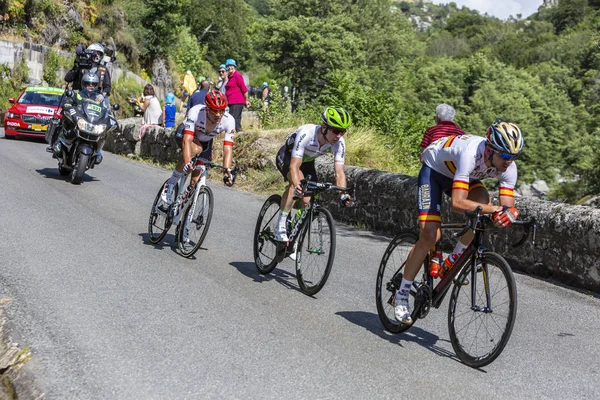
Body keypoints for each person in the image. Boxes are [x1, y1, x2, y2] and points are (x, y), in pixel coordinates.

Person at [394, 119, 524, 324]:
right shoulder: (471, 153)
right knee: (430, 235)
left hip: (462, 176)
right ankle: (402, 294)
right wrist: (496, 209)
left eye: (513, 156)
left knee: (482, 211)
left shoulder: (509, 167)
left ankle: (451, 261)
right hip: (435, 171)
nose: (508, 161)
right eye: (505, 155)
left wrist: (506, 215)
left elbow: (506, 208)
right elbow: (457, 202)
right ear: (489, 149)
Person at [273, 107, 354, 258]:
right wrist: (298, 185)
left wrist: (343, 194)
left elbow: (339, 172)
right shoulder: (307, 133)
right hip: (288, 157)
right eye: (336, 131)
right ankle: (281, 225)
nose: (339, 135)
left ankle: (293, 234)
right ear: (324, 128)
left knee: (306, 200)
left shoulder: (339, 143)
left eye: (343, 131)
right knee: (295, 185)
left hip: (307, 162)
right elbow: (294, 166)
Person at [162, 91, 236, 206]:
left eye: (221, 110)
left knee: (195, 178)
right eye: (214, 111)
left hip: (205, 141)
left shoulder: (229, 120)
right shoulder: (196, 111)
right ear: (207, 109)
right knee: (195, 149)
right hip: (186, 134)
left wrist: (227, 171)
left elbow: (227, 148)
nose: (218, 115)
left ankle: (182, 207)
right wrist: (187, 162)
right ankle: (170, 184)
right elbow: (187, 140)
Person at [47, 43, 112, 152]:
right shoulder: (81, 66)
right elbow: (68, 78)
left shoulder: (103, 70)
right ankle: (55, 143)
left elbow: (108, 87)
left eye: (100, 54)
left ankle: (97, 148)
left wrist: (102, 95)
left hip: (96, 101)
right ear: (89, 54)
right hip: (79, 98)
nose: (98, 57)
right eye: (96, 54)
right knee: (64, 116)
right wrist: (76, 66)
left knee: (104, 120)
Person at [224, 58, 250, 132]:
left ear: (234, 66)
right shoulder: (230, 77)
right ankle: (237, 134)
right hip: (231, 102)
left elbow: (244, 89)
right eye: (228, 66)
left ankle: (239, 134)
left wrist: (246, 100)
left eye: (231, 66)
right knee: (233, 119)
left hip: (237, 101)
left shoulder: (237, 76)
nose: (229, 67)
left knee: (234, 119)